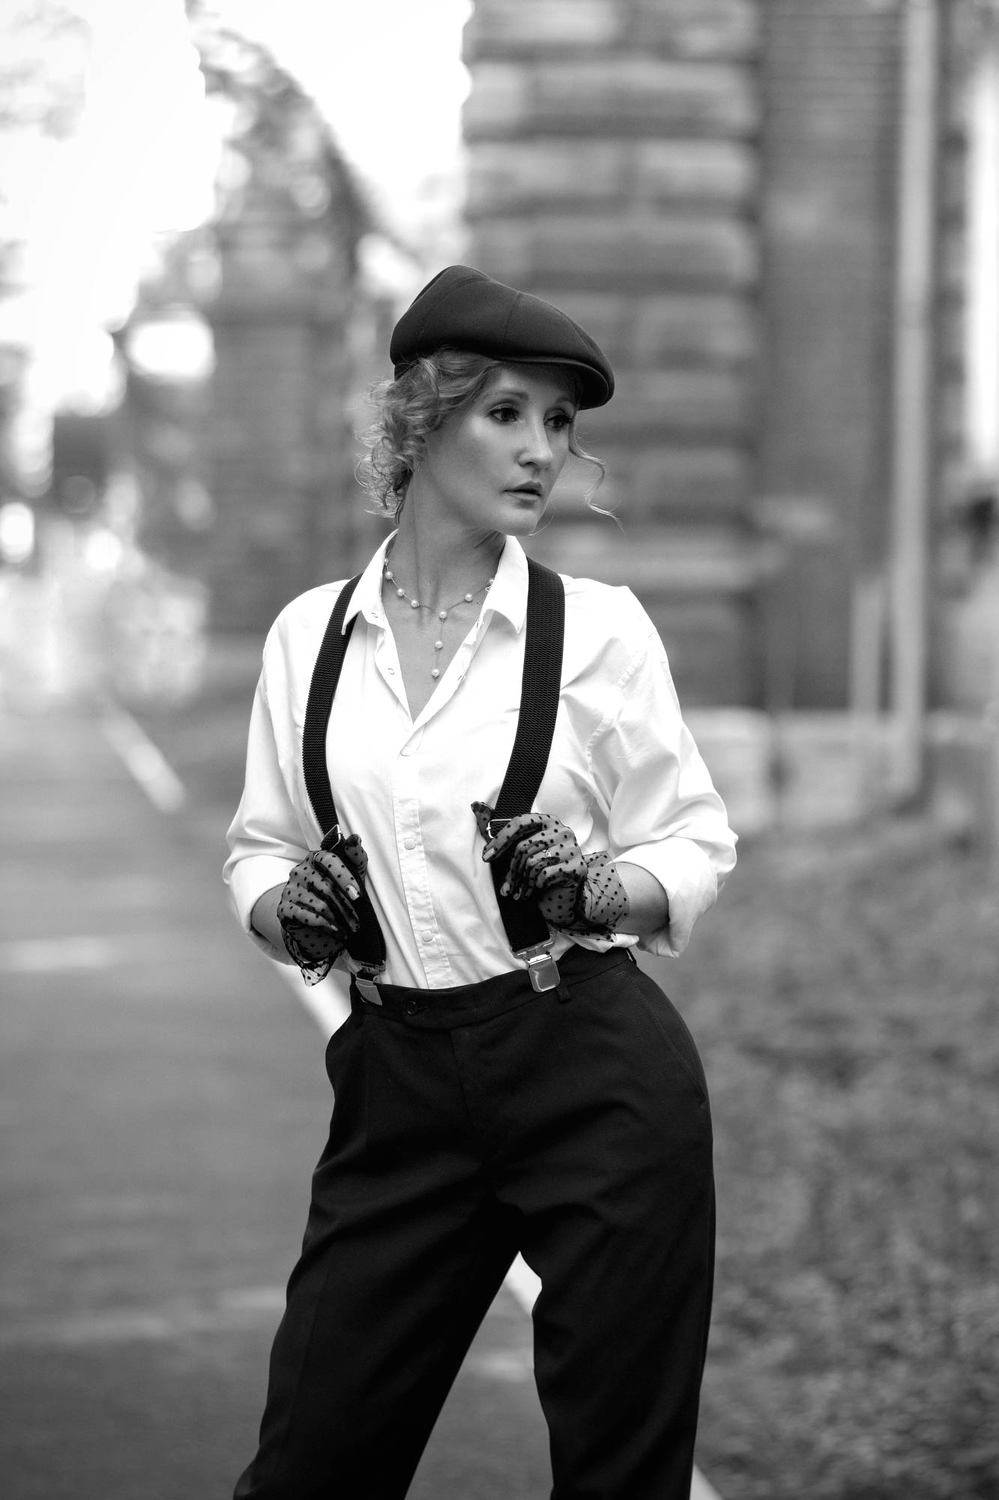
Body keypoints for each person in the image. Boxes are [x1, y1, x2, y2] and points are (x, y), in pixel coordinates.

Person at [224, 264, 737, 1500]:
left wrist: (598, 891)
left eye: (556, 422)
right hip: (396, 1085)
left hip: (591, 1072)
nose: (540, 450)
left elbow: (693, 839)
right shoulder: (309, 637)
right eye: (506, 412)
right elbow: (259, 846)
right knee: (311, 1465)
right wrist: (288, 909)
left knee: (619, 1476)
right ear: (421, 420)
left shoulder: (599, 630)